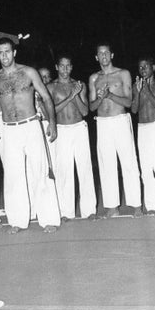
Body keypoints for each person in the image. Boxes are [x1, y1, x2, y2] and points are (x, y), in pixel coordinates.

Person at [0, 37, 60, 233]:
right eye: (1, 52)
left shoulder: (28, 72)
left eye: (7, 51)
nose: (4, 55)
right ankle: (18, 221)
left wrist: (52, 122)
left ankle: (49, 219)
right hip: (9, 129)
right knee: (13, 176)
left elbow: (46, 97)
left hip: (31, 125)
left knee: (40, 171)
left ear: (14, 52)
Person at [89, 43, 142, 218]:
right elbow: (91, 107)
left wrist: (109, 95)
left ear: (112, 55)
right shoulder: (93, 79)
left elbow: (128, 102)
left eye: (106, 53)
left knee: (128, 162)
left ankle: (136, 204)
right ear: (96, 57)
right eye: (100, 54)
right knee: (107, 164)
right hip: (102, 123)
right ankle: (112, 206)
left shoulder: (123, 74)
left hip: (120, 121)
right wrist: (100, 98)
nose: (103, 56)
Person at [47, 56, 97, 220]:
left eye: (68, 66)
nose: (65, 69)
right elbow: (51, 112)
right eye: (62, 66)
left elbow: (84, 112)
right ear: (57, 67)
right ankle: (65, 212)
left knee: (85, 168)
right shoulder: (51, 87)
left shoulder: (79, 85)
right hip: (62, 129)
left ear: (71, 67)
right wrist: (69, 96)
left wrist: (75, 94)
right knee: (64, 171)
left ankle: (89, 210)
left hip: (79, 129)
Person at [131, 57, 155, 216]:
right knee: (146, 168)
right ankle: (152, 204)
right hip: (143, 128)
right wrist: (139, 92)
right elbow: (134, 109)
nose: (143, 69)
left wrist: (147, 91)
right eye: (140, 67)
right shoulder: (136, 86)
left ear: (153, 67)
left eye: (146, 66)